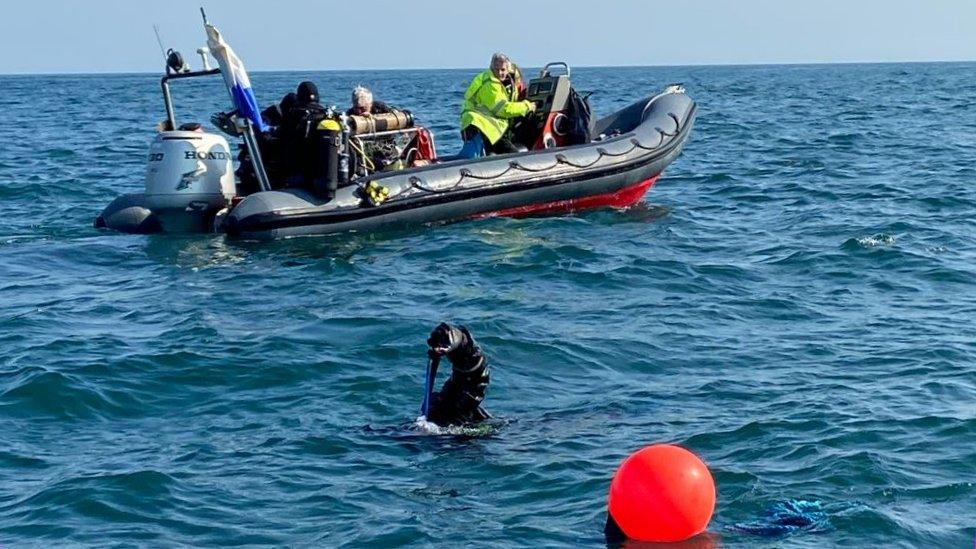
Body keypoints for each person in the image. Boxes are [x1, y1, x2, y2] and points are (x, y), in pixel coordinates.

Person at [459, 52, 537, 157]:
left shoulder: (487, 78)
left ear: (508, 70)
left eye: (503, 70)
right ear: (492, 68)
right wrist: (528, 106)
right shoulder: (491, 84)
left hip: (477, 125)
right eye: (497, 69)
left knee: (489, 154)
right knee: (513, 154)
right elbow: (503, 109)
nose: (500, 73)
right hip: (483, 127)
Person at [423, 323, 491, 427]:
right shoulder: (442, 342)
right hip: (459, 376)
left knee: (458, 410)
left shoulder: (456, 337)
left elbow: (454, 341)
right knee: (438, 403)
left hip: (477, 378)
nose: (439, 348)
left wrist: (446, 349)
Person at [346, 86, 401, 173]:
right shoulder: (350, 114)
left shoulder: (381, 108)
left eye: (363, 108)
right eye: (356, 108)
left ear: (370, 104)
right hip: (363, 149)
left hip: (385, 145)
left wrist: (374, 118)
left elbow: (399, 117)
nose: (359, 112)